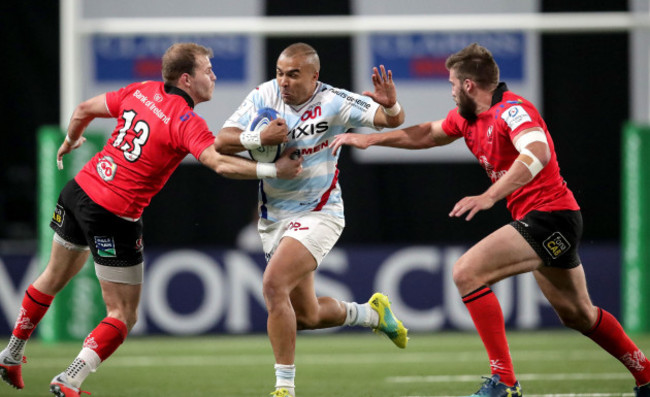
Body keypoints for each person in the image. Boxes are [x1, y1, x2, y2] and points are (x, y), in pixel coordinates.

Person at [330, 42, 650, 397]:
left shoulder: (512, 111)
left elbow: (538, 151)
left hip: (551, 216)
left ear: (469, 85)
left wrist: (490, 196)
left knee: (467, 272)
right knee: (578, 315)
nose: (450, 92)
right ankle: (648, 376)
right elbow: (427, 134)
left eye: (452, 84)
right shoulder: (469, 119)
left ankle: (505, 382)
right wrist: (372, 139)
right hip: (549, 219)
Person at [0, 42, 302, 397]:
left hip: (80, 190)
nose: (214, 76)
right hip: (113, 214)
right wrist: (273, 169)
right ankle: (69, 379)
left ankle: (12, 352)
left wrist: (71, 139)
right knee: (122, 314)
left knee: (51, 277)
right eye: (208, 70)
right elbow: (218, 162)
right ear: (187, 79)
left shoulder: (141, 91)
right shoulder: (184, 119)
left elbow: (83, 108)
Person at [214, 42, 409, 397]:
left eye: (292, 74)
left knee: (273, 285)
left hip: (321, 211)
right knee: (307, 315)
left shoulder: (333, 100)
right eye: (279, 73)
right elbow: (221, 142)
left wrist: (390, 103)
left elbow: (392, 121)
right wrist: (259, 137)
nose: (283, 81)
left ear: (314, 76)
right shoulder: (263, 96)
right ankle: (372, 314)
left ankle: (284, 388)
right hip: (275, 219)